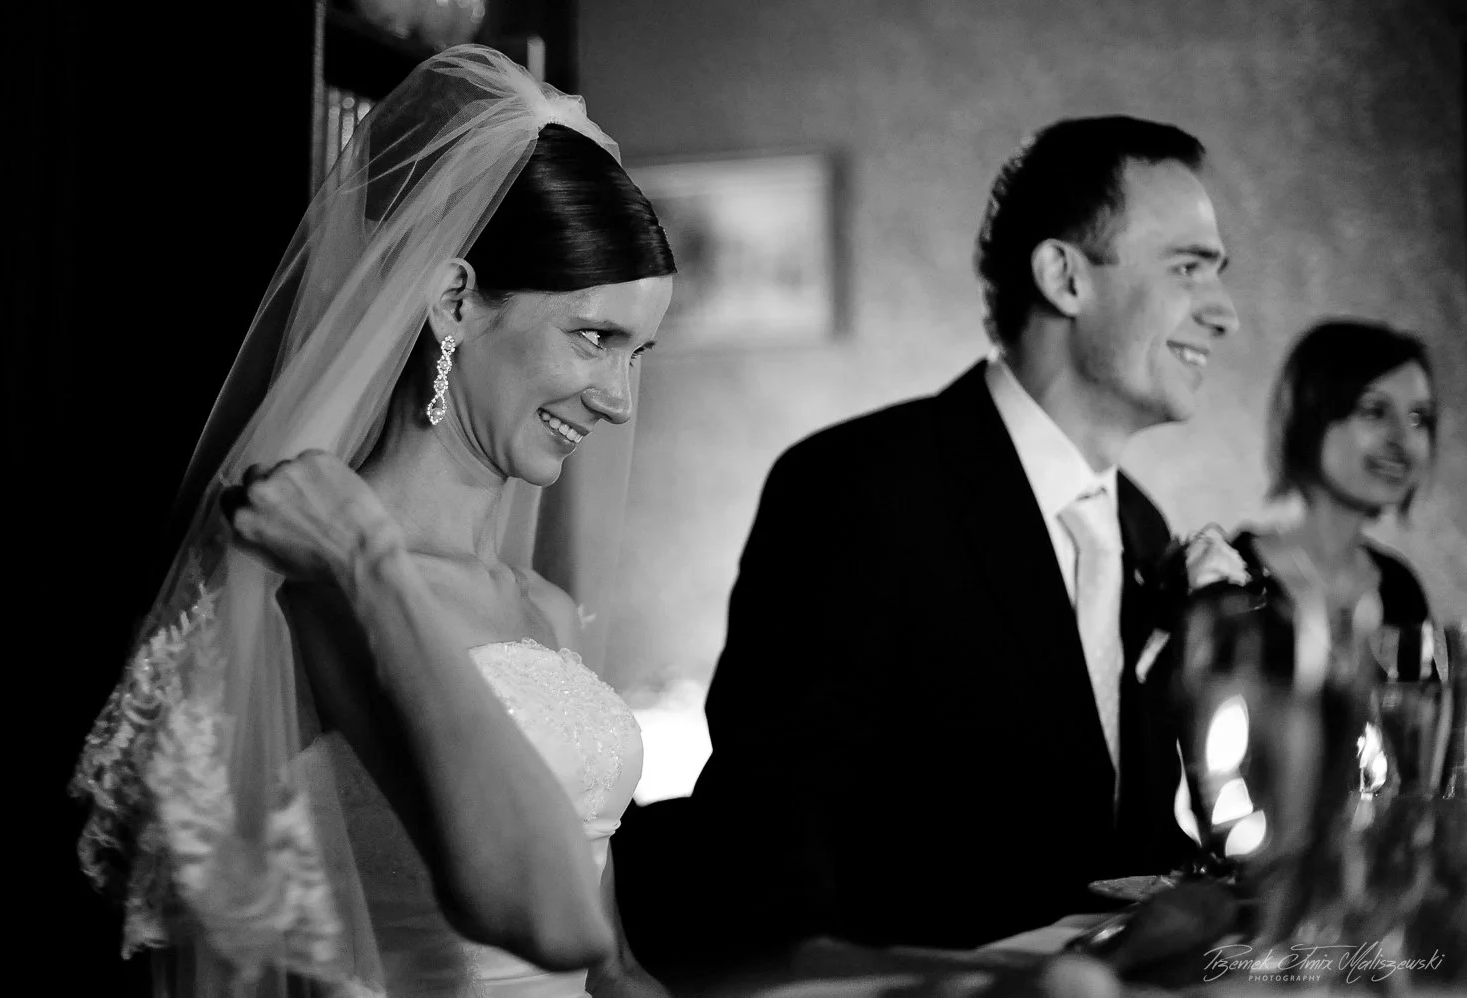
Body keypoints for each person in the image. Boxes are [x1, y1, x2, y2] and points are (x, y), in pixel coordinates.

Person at [68, 46, 676, 998]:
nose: (619, 400)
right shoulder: (316, 592)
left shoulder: (544, 611)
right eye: (594, 337)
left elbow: (611, 968)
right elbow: (546, 920)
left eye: (640, 352)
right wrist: (369, 567)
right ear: (454, 302)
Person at [619, 114, 1240, 966]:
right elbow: (778, 835)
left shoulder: (1141, 526)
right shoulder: (859, 487)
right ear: (1064, 276)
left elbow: (1119, 847)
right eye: (1187, 269)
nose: (1224, 314)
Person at [1231, 320, 1440, 678]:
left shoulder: (1401, 589)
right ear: (1310, 417)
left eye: (1418, 418)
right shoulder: (1232, 574)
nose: (1403, 440)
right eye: (1375, 411)